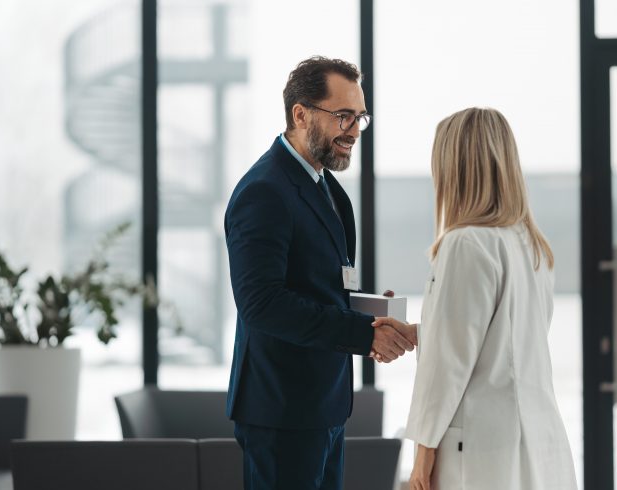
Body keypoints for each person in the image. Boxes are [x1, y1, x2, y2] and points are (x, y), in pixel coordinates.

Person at [224, 56, 417, 490]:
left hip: (324, 406)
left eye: (360, 117)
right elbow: (262, 304)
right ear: (300, 114)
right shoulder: (264, 191)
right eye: (343, 116)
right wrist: (362, 334)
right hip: (281, 412)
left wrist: (373, 311)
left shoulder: (329, 190)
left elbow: (321, 286)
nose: (353, 130)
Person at [374, 108, 577, 489]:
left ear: (457, 169)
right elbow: (502, 339)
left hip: (483, 450)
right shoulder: (531, 246)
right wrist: (423, 331)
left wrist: (423, 455)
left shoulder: (465, 243)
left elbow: (446, 366)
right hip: (539, 439)